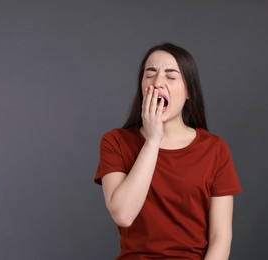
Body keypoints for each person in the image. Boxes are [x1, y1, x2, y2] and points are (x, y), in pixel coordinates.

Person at [94, 42, 242, 259]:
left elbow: (221, 236)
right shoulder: (115, 142)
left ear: (189, 90)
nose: (157, 83)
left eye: (171, 77)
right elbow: (123, 215)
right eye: (150, 75)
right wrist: (153, 140)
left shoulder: (215, 149)